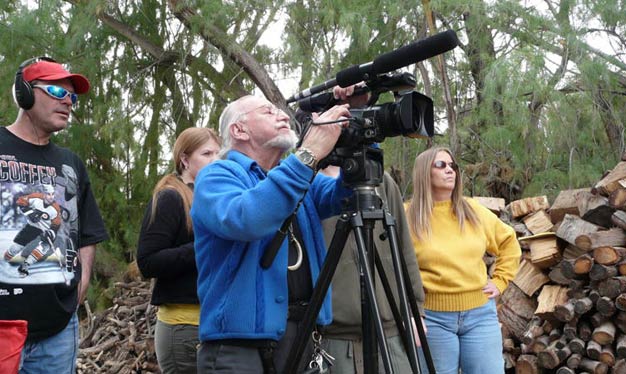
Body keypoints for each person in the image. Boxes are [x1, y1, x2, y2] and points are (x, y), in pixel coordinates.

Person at [191, 94, 352, 373]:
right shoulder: (216, 176)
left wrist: (356, 128)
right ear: (239, 130)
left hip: (304, 338)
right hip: (238, 350)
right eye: (268, 111)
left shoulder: (300, 179)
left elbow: (345, 196)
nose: (284, 116)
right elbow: (247, 218)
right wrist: (308, 153)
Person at [0, 57, 108, 373]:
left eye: (72, 97)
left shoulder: (70, 163)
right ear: (24, 92)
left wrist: (83, 281)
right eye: (56, 91)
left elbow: (87, 231)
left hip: (58, 330)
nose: (68, 103)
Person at [405, 147, 521, 374]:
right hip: (431, 318)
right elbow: (391, 265)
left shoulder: (472, 210)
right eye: (441, 165)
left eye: (452, 166)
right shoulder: (407, 215)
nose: (450, 170)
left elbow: (509, 242)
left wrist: (500, 281)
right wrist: (408, 313)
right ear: (423, 172)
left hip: (480, 315)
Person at [319, 165, 425, 373]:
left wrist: (415, 311)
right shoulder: (305, 184)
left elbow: (403, 247)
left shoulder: (379, 180)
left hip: (390, 333)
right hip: (333, 338)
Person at [137, 127, 221, 374]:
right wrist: (206, 246)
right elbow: (148, 262)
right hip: (183, 327)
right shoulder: (170, 197)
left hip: (213, 324)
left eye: (218, 153)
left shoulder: (212, 197)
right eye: (206, 153)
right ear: (184, 159)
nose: (215, 160)